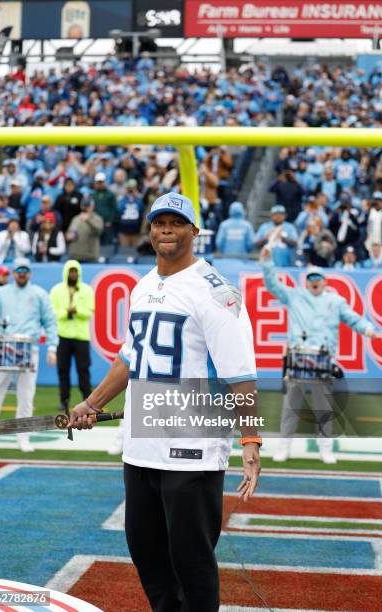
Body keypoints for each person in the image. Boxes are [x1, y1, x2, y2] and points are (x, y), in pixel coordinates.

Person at [68, 192, 261, 611]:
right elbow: (130, 355)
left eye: (176, 223)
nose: (166, 231)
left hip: (194, 443)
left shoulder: (216, 292)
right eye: (159, 223)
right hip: (143, 440)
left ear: (195, 230)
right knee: (146, 550)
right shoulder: (144, 286)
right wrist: (93, 403)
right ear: (150, 230)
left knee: (190, 561)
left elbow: (240, 375)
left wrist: (251, 439)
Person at [261, 247, 377, 464]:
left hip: (322, 362)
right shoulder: (295, 295)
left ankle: (325, 448)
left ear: (325, 282)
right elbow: (272, 284)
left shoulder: (335, 301)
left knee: (323, 406)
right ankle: (284, 445)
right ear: (306, 281)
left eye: (318, 278)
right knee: (290, 405)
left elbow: (353, 318)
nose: (315, 281)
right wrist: (267, 262)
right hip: (297, 360)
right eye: (311, 278)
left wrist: (367, 329)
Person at [0, 257, 58, 452]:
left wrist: (53, 348)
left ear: (30, 273)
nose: (22, 274)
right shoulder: (2, 292)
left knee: (26, 395)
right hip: (5, 348)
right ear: (13, 273)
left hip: (29, 349)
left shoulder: (39, 294)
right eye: (18, 271)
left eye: (25, 271)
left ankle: (23, 438)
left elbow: (50, 322)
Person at [50, 260, 94, 412]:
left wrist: (76, 311)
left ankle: (88, 399)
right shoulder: (56, 290)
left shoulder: (87, 290)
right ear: (66, 272)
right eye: (71, 271)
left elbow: (89, 312)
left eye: (75, 271)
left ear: (79, 273)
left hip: (81, 336)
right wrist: (65, 312)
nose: (73, 274)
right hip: (63, 335)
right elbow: (53, 313)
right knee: (63, 369)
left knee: (83, 369)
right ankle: (64, 400)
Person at [66, 196, 104, 263]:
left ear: (92, 206)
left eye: (88, 206)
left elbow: (99, 231)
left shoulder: (97, 218)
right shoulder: (76, 218)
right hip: (75, 256)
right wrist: (69, 236)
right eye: (84, 206)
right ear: (81, 206)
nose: (86, 208)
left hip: (90, 257)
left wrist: (88, 220)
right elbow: (69, 232)